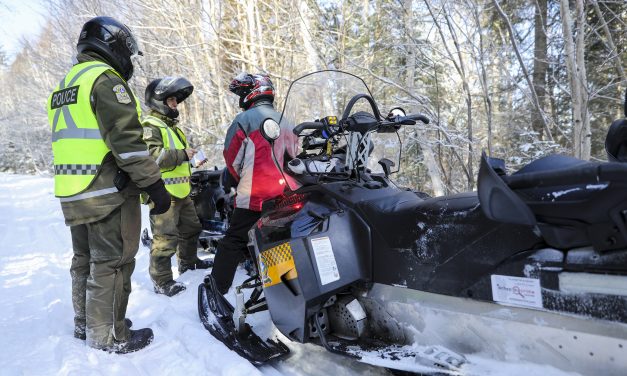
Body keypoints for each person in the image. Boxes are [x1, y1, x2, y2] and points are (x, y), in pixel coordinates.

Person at [47, 16, 171, 353]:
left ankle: (86, 324)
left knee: (84, 260)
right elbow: (128, 143)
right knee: (113, 262)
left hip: (74, 191)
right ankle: (109, 335)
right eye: (127, 52)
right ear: (113, 46)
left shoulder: (65, 84)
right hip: (106, 190)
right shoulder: (105, 80)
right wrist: (154, 186)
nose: (128, 60)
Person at [210, 72, 285, 295]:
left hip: (256, 192)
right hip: (285, 192)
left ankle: (217, 288)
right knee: (279, 236)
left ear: (252, 93)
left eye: (242, 93)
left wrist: (233, 179)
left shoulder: (244, 120)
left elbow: (231, 157)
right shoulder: (285, 119)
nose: (240, 98)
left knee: (233, 239)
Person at [142, 76, 211, 297]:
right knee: (165, 239)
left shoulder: (173, 128)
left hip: (182, 191)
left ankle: (188, 263)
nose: (175, 104)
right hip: (162, 193)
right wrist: (182, 155)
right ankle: (161, 281)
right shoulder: (151, 126)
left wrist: (192, 159)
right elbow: (152, 157)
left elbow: (177, 158)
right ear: (159, 101)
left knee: (191, 229)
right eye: (171, 100)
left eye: (175, 101)